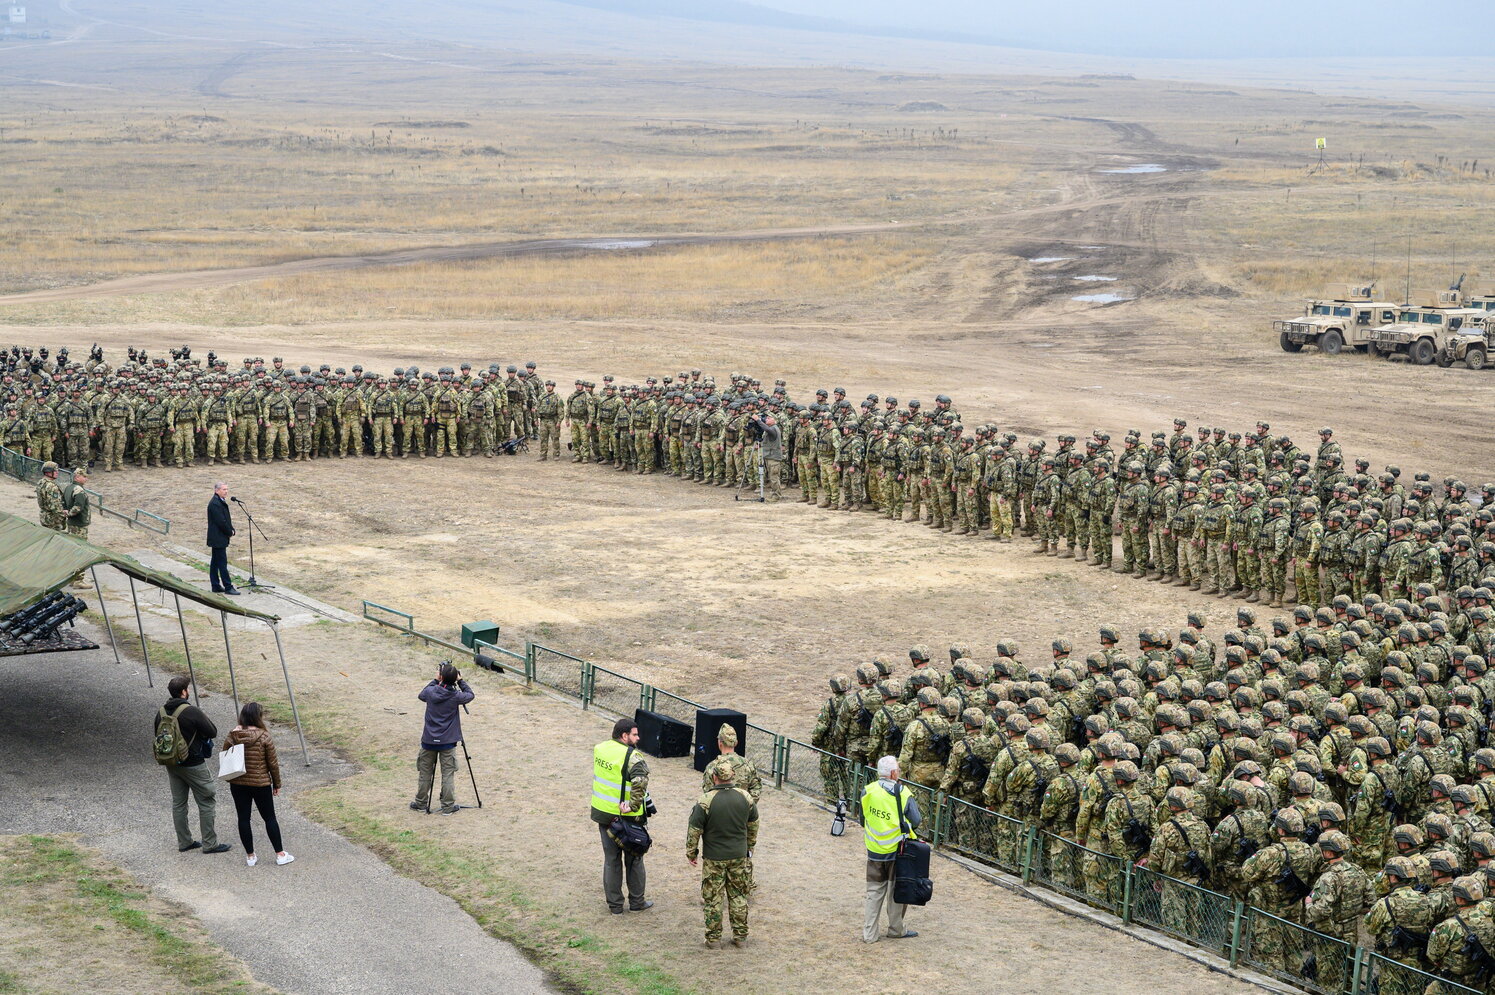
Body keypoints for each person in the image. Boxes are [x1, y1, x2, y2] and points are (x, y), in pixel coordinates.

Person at [686, 758, 759, 948]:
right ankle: (740, 937)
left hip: (714, 858)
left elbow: (694, 830)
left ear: (714, 777)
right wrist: (749, 847)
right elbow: (753, 825)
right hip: (739, 856)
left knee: (713, 899)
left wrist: (691, 853)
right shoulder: (746, 797)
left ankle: (713, 939)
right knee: (738, 897)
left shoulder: (705, 801)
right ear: (733, 776)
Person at [156, 675, 231, 854]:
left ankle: (184, 842)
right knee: (206, 801)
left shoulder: (160, 713)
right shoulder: (191, 711)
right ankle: (210, 843)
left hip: (172, 762)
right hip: (194, 763)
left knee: (179, 803)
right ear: (183, 692)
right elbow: (212, 732)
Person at [590, 717, 652, 915]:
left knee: (611, 860)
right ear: (624, 735)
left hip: (603, 814)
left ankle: (615, 906)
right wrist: (633, 806)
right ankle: (637, 902)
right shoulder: (633, 756)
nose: (638, 738)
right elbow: (640, 783)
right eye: (635, 734)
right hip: (627, 818)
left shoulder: (600, 749)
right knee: (634, 860)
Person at [221, 701, 294, 867]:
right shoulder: (264, 736)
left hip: (238, 782)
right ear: (258, 716)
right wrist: (277, 784)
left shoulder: (233, 735)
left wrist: (233, 734)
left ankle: (250, 856)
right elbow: (273, 764)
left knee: (243, 818)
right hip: (260, 783)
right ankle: (280, 854)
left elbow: (224, 754)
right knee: (269, 818)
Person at [861, 755, 922, 943]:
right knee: (897, 892)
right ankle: (896, 929)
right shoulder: (903, 793)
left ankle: (869, 934)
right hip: (897, 852)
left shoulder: (867, 791)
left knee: (873, 894)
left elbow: (864, 819)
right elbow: (917, 820)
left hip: (874, 851)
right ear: (894, 773)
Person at [410, 662, 473, 815]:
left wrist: (435, 680)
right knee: (448, 775)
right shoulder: (456, 696)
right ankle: (447, 806)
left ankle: (420, 803)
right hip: (448, 742)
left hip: (428, 741)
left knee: (425, 773)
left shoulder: (431, 692)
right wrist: (461, 681)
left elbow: (421, 694)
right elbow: (470, 695)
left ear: (441, 677)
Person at [206, 482, 240, 596]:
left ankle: (215, 585)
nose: (226, 491)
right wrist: (229, 531)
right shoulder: (215, 503)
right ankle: (228, 586)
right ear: (217, 490)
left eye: (227, 489)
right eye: (224, 489)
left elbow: (226, 519)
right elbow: (221, 521)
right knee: (222, 563)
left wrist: (231, 528)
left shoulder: (220, 501)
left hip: (219, 537)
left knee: (215, 562)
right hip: (218, 538)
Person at [750, 412, 783, 502]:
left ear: (774, 420)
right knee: (771, 476)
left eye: (769, 418)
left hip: (774, 458)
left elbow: (767, 430)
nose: (767, 419)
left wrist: (758, 420)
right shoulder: (770, 429)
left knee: (774, 477)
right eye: (766, 418)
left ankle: (776, 495)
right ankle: (774, 494)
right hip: (769, 456)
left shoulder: (774, 429)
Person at [35, 460, 65, 531]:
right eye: (55, 471)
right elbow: (55, 506)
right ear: (48, 472)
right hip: (53, 519)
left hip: (44, 516)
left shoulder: (41, 482)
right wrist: (62, 517)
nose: (57, 472)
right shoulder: (52, 486)